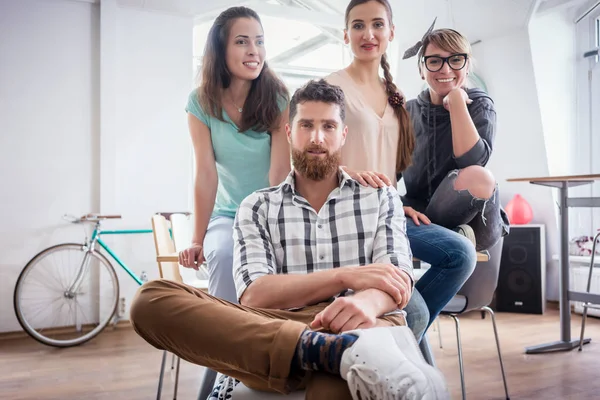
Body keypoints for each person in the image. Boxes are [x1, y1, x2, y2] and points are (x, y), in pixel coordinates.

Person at [131, 79, 449, 400]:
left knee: (335, 385)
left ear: (343, 135)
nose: (316, 137)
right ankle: (322, 350)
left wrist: (363, 303)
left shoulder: (380, 197)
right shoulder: (256, 206)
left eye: (328, 126)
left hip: (364, 325)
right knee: (151, 300)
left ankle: (328, 351)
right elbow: (255, 296)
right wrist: (344, 276)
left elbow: (397, 281)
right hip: (279, 325)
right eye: (306, 125)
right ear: (288, 132)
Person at [325, 0, 477, 333]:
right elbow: (312, 159)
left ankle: (396, 334)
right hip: (348, 217)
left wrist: (399, 201)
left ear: (391, 32)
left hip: (389, 214)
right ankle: (401, 335)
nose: (369, 33)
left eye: (378, 24)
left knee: (461, 255)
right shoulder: (330, 89)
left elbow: (390, 165)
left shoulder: (397, 96)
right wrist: (348, 173)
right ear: (346, 34)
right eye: (358, 25)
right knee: (415, 313)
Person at [178, 6, 291, 303]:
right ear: (221, 49)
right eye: (242, 41)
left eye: (259, 41)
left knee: (279, 262)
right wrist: (196, 239)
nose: (254, 50)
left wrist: (274, 226)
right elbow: (205, 173)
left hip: (271, 211)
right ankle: (224, 340)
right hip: (228, 215)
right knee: (226, 254)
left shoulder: (279, 97)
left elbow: (279, 173)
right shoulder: (200, 102)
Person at [401, 21, 510, 252]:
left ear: (467, 65)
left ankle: (442, 234)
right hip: (418, 214)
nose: (446, 69)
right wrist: (396, 208)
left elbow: (472, 166)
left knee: (480, 177)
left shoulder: (480, 104)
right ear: (421, 69)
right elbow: (387, 174)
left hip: (475, 224)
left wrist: (458, 103)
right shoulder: (406, 113)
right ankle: (439, 234)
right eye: (434, 61)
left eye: (456, 59)